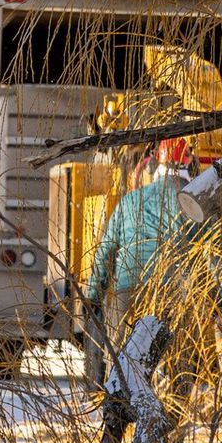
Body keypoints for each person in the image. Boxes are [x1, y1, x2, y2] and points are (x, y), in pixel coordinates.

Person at [83, 139, 193, 382]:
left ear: (154, 165)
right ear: (189, 165)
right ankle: (175, 406)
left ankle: (117, 402)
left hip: (127, 286)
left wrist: (92, 294)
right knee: (177, 354)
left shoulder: (130, 201)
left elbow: (106, 250)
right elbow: (211, 253)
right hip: (170, 288)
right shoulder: (192, 202)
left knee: (118, 354)